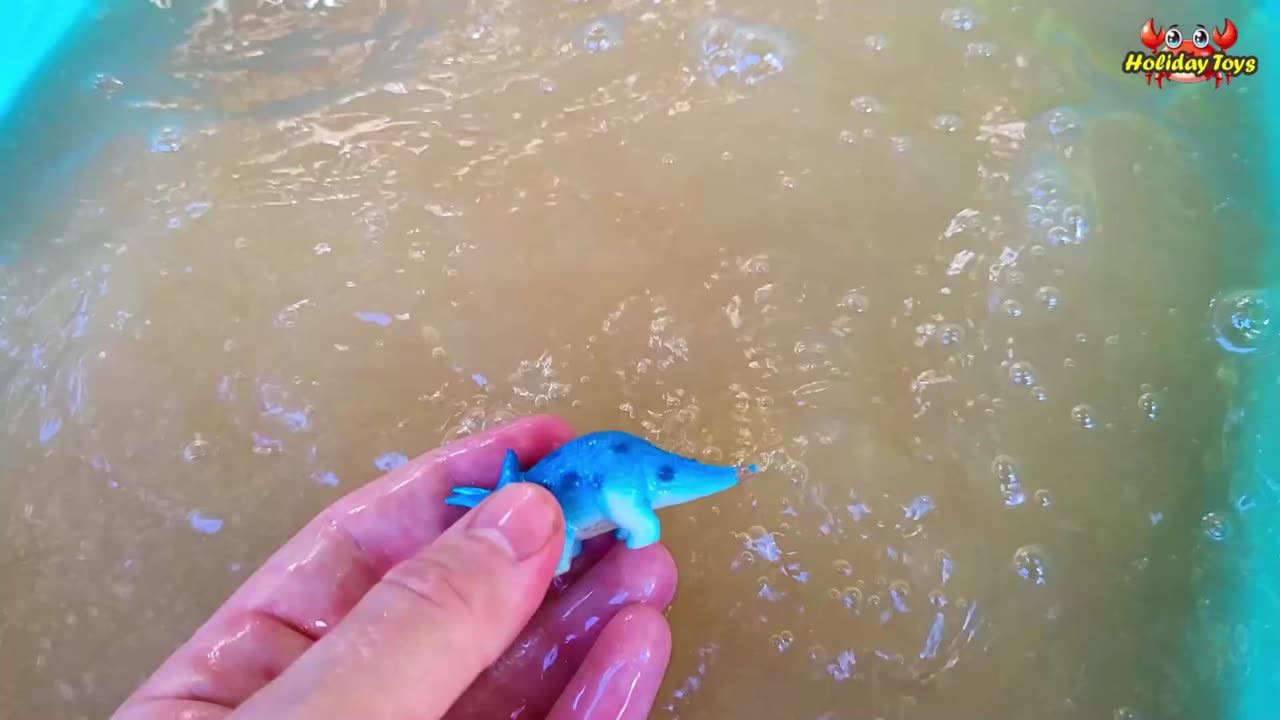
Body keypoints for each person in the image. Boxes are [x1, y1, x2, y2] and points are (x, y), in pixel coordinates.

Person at [112, 415, 678, 720]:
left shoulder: (529, 498)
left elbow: (555, 530)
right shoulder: (526, 495)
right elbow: (554, 533)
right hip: (583, 483)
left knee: (626, 538)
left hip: (612, 475)